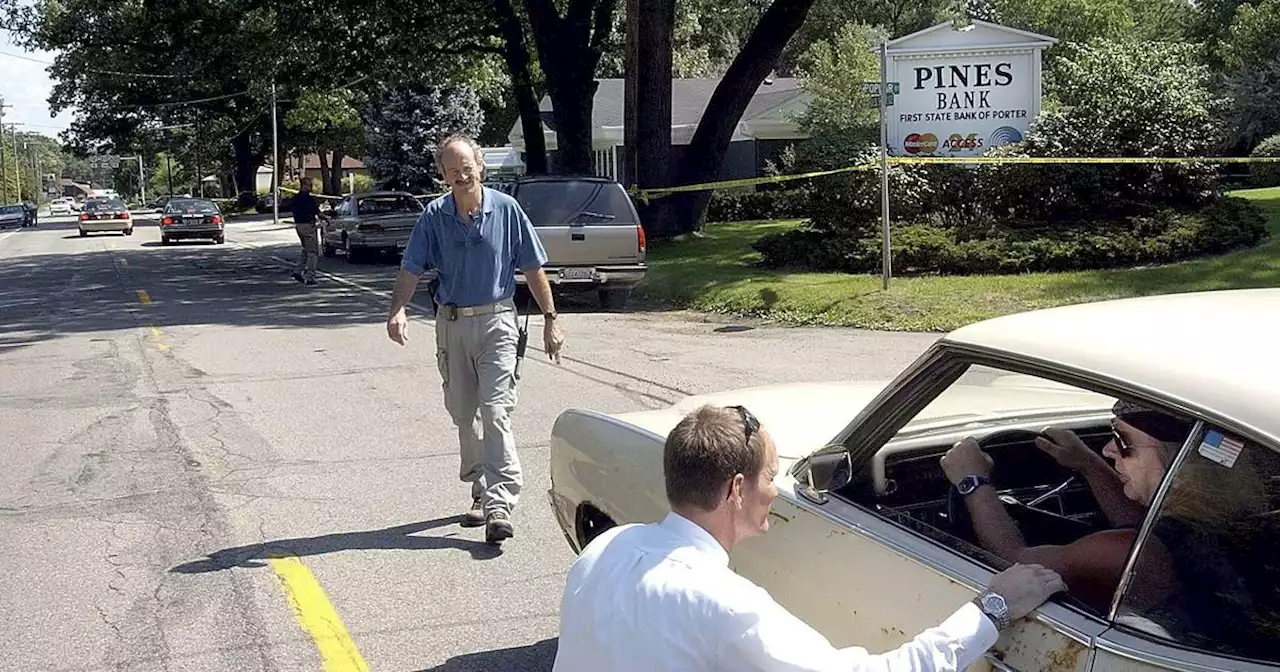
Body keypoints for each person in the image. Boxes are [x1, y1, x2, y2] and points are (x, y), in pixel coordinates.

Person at [553, 404, 1066, 671]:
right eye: (770, 476)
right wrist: (993, 608)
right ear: (736, 490)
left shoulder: (606, 549)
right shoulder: (726, 605)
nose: (777, 491)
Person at [386, 134, 565, 545]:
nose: (461, 175)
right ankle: (481, 486)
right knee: (465, 413)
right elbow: (411, 267)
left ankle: (500, 502)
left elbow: (534, 269)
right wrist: (397, 309)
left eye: (467, 167)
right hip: (452, 323)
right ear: (443, 176)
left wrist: (551, 320)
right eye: (452, 171)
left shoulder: (507, 209)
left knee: (496, 409)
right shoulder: (434, 216)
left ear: (480, 167)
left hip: (498, 320)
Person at [940, 399, 1265, 618]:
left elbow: (1014, 559)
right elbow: (1144, 526)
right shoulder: (1246, 517)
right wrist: (1088, 464)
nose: (1108, 449)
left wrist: (973, 481)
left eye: (1123, 441)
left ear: (1178, 463)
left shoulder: (1127, 556)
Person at [290, 177, 328, 285]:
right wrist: (326, 218)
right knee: (313, 253)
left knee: (306, 249)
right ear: (304, 186)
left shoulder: (295, 198)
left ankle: (298, 271)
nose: (311, 187)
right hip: (308, 226)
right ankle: (310, 276)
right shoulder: (309, 200)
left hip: (298, 226)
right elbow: (317, 212)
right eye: (309, 185)